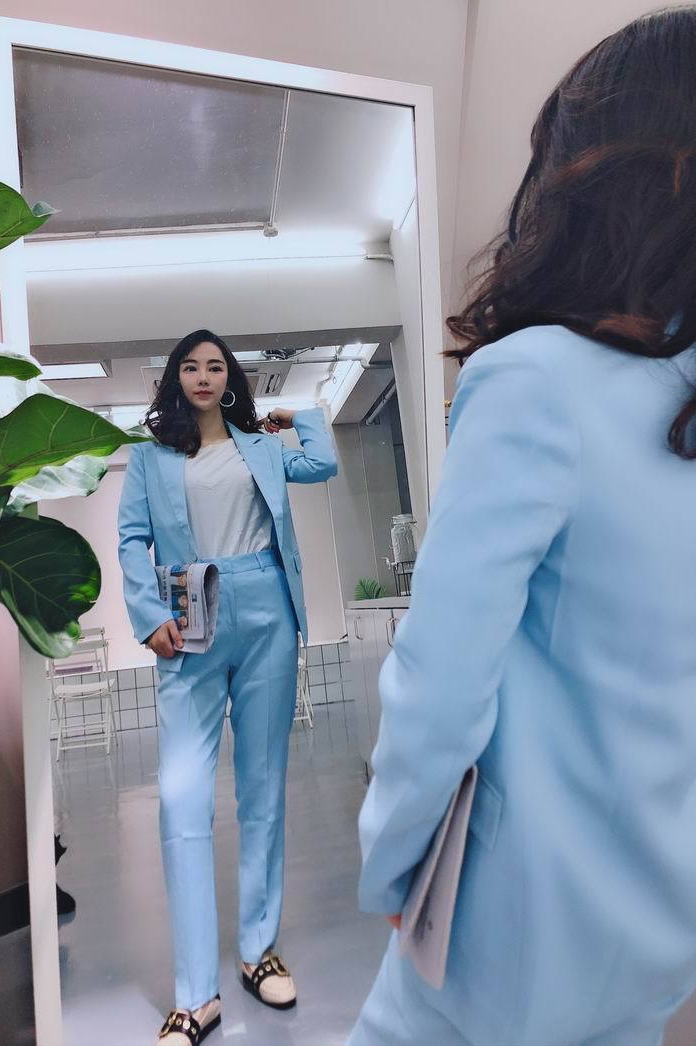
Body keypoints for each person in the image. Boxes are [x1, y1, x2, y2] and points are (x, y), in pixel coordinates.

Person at [349, 8, 696, 1046]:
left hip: (508, 923)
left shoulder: (536, 382)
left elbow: (439, 684)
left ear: (587, 175)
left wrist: (391, 865)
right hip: (662, 924)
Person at [117, 329, 337, 1045]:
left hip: (268, 606)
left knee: (263, 785)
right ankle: (194, 996)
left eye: (216, 367)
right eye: (191, 366)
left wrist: (288, 414)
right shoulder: (149, 461)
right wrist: (147, 616)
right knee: (182, 794)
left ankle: (257, 951)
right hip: (190, 615)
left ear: (232, 379)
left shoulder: (263, 448)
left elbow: (325, 459)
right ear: (174, 379)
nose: (204, 377)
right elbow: (130, 541)